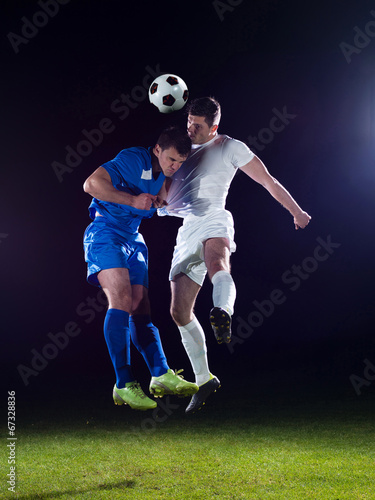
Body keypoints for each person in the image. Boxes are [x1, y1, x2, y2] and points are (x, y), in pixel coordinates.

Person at [158, 97, 311, 413]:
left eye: (197, 126)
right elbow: (166, 180)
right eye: (188, 122)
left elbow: (267, 180)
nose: (190, 129)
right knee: (178, 311)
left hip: (214, 216)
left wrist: (296, 211)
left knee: (217, 262)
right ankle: (204, 380)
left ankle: (222, 311)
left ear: (214, 127)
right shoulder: (180, 146)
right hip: (186, 229)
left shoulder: (229, 147)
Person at [83, 126, 198, 411]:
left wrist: (158, 201)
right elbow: (91, 184)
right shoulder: (134, 158)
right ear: (157, 149)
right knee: (121, 299)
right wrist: (133, 201)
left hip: (133, 239)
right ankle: (123, 383)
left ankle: (160, 374)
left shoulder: (163, 174)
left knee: (140, 307)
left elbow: (152, 195)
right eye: (171, 159)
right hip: (105, 233)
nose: (175, 166)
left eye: (180, 162)